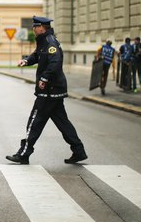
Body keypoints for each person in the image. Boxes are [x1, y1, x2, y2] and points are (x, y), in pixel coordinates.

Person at [6, 16, 87, 165]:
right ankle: (78, 150)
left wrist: (44, 79)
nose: (33, 29)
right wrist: (27, 60)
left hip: (49, 90)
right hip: (54, 90)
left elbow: (55, 62)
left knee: (35, 121)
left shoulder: (50, 42)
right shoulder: (44, 41)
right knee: (63, 123)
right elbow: (38, 55)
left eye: (35, 27)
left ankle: (24, 153)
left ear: (41, 28)